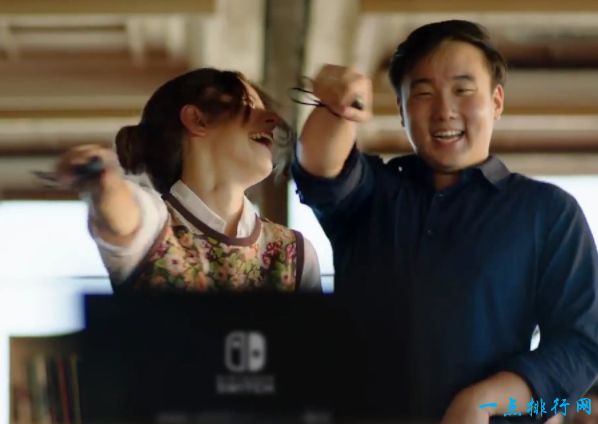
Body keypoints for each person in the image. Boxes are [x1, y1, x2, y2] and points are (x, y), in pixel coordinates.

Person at [292, 20, 598, 422]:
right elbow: (320, 169)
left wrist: (487, 400)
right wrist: (337, 107)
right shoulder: (371, 196)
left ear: (497, 101)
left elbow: (583, 348)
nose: (444, 111)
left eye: (463, 90)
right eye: (422, 93)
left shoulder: (547, 212)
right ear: (401, 111)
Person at [55, 68, 321, 292]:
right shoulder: (156, 226)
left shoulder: (294, 253)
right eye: (248, 106)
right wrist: (104, 180)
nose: (272, 120)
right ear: (197, 120)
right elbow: (122, 216)